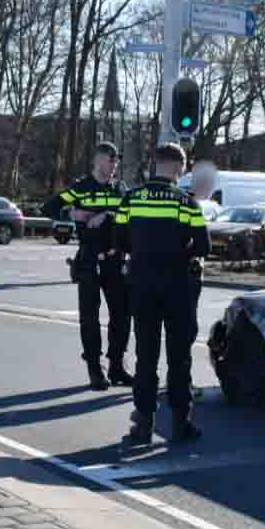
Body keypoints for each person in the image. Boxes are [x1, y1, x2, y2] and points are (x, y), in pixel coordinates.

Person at [116, 142, 210, 447]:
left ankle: (143, 425)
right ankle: (181, 423)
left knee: (146, 356)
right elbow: (204, 246)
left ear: (155, 164)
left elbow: (119, 239)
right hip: (177, 287)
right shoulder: (186, 202)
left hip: (142, 286)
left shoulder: (131, 199)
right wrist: (180, 252)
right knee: (179, 357)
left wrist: (141, 253)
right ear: (178, 167)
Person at [43, 141, 132, 391]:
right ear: (99, 160)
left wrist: (107, 215)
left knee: (122, 315)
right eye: (111, 160)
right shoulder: (81, 188)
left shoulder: (120, 189)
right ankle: (95, 369)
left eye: (117, 161)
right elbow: (49, 207)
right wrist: (72, 214)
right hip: (89, 259)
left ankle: (116, 366)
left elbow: (130, 215)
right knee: (90, 318)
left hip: (115, 259)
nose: (114, 165)